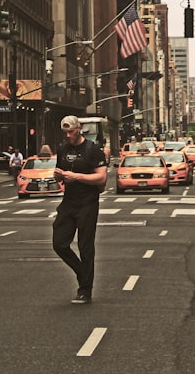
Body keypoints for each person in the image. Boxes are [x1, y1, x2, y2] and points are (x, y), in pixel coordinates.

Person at [52, 115, 108, 305]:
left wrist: (76, 176)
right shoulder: (62, 149)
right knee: (59, 243)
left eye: (71, 131)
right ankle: (82, 272)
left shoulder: (93, 150)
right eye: (65, 132)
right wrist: (58, 176)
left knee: (85, 246)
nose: (68, 135)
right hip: (68, 202)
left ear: (79, 128)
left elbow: (101, 179)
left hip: (88, 203)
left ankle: (85, 290)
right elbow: (59, 173)